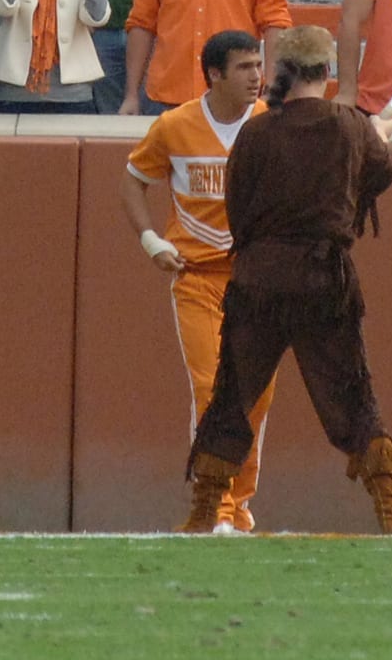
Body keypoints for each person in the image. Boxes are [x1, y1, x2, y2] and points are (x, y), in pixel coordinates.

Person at [179, 26, 392, 537]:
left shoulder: (255, 132)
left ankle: (205, 511)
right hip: (323, 280)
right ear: (328, 72)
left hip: (259, 281)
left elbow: (238, 210)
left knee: (231, 392)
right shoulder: (351, 128)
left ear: (281, 74)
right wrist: (377, 138)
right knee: (351, 391)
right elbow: (380, 174)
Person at [125, 30, 275, 532]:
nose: (256, 76)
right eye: (244, 67)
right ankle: (217, 505)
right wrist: (151, 240)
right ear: (214, 74)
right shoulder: (175, 125)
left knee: (256, 394)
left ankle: (242, 500)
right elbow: (133, 180)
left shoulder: (269, 124)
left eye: (259, 65)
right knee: (212, 388)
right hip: (196, 275)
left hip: (257, 280)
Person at [120, 0, 292, 116]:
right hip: (167, 96)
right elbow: (142, 19)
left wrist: (271, 90)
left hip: (235, 98)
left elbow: (274, 18)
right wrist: (131, 95)